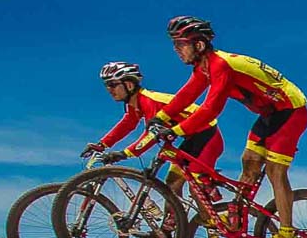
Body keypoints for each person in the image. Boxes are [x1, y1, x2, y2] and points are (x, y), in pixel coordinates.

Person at [152, 17, 307, 238]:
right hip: (269, 113)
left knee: (276, 171)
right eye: (174, 44)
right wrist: (160, 118)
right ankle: (238, 223)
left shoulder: (220, 65)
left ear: (199, 45)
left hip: (290, 110)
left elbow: (210, 109)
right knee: (249, 163)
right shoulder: (203, 68)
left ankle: (287, 234)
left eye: (180, 44)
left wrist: (175, 130)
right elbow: (185, 96)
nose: (176, 50)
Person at [83, 61, 224, 216]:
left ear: (129, 85)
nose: (109, 90)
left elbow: (151, 136)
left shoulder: (150, 101)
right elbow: (127, 124)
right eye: (106, 85)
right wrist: (102, 144)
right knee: (172, 182)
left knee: (194, 185)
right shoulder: (135, 103)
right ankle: (172, 229)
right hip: (192, 139)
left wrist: (124, 153)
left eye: (112, 84)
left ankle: (215, 232)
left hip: (208, 136)